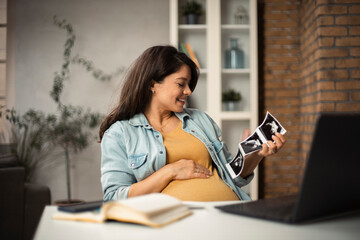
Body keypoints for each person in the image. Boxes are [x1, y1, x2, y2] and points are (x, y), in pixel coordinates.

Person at [99, 45, 286, 202]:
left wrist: (256, 155)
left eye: (189, 85)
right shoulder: (120, 134)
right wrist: (171, 171)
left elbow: (233, 177)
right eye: (181, 84)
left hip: (233, 212)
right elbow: (114, 198)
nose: (188, 91)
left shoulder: (199, 120)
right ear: (152, 84)